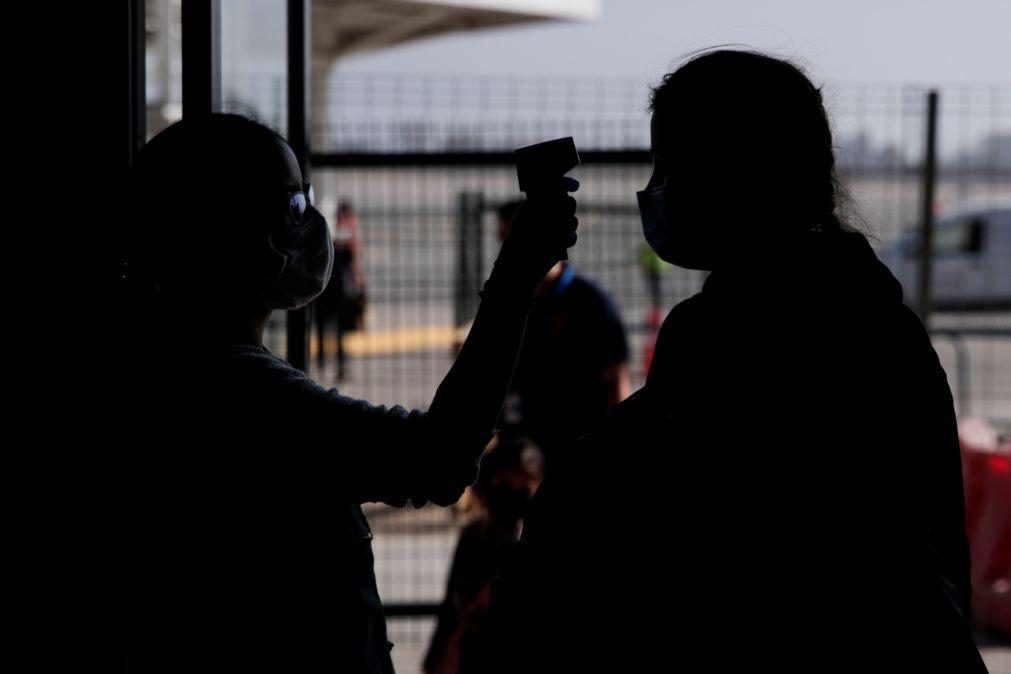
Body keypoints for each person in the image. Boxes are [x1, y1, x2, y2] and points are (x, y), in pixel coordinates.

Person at [491, 50, 986, 673]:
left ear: (731, 174)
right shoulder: (877, 324)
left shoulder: (733, 343)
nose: (658, 188)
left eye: (671, 164)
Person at [121, 113, 578, 673]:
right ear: (230, 231)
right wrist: (516, 278)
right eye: (292, 206)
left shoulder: (175, 369)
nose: (311, 222)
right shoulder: (240, 392)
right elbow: (439, 457)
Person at [496, 200, 631, 471]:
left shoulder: (591, 304)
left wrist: (615, 450)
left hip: (579, 446)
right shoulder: (512, 302)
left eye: (513, 239)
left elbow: (616, 380)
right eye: (503, 240)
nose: (507, 250)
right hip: (531, 450)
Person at [423, 433, 544, 674]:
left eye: (523, 488)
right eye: (503, 486)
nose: (512, 496)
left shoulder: (534, 542)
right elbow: (454, 609)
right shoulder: (476, 538)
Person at [314, 199, 365, 379]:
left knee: (327, 327)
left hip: (327, 289)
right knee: (335, 329)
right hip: (336, 290)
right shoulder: (344, 235)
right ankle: (334, 364)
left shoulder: (327, 234)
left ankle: (325, 364)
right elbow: (354, 265)